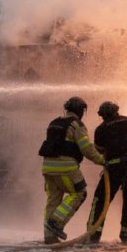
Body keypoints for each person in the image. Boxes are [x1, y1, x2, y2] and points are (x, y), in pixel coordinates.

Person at [39, 96, 104, 244]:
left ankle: (50, 238)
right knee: (79, 193)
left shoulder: (54, 123)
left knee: (53, 200)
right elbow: (86, 148)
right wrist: (102, 160)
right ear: (81, 111)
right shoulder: (77, 125)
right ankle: (56, 222)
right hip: (66, 167)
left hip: (48, 167)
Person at [86, 101, 127, 244]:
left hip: (115, 167)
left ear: (103, 115)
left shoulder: (101, 128)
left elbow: (99, 149)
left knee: (100, 200)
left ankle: (92, 236)